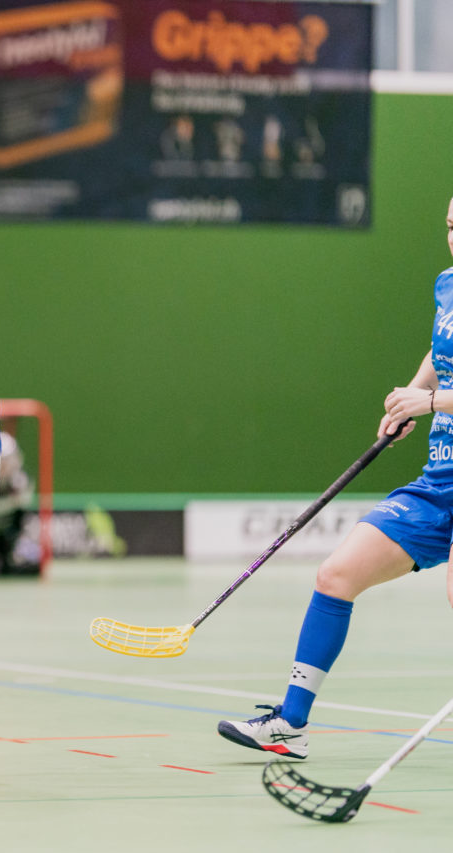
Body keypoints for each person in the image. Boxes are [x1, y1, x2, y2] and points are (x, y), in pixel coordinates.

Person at [217, 196, 453, 759]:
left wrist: (433, 403)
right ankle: (288, 724)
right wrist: (409, 399)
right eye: (450, 225)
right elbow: (440, 349)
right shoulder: (448, 284)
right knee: (336, 574)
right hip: (440, 480)